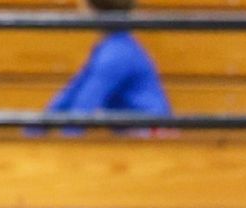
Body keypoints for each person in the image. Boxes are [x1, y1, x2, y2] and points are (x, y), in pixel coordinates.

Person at [43, 0, 171, 125]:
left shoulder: (116, 53)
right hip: (139, 130)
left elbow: (83, 108)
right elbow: (71, 94)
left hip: (150, 133)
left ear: (90, 7)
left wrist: (66, 136)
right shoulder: (111, 47)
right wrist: (38, 127)